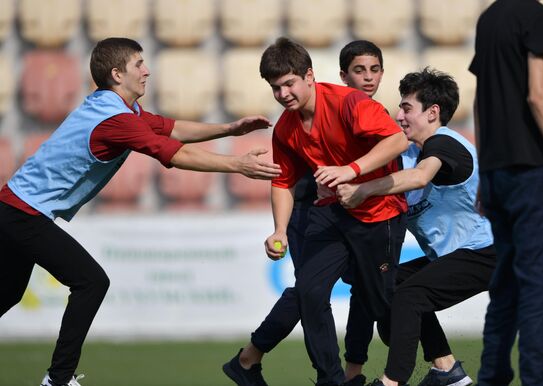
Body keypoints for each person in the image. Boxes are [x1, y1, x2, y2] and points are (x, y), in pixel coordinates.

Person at [0, 37, 281, 386]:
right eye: (138, 65)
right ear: (117, 74)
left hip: (16, 208)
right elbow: (175, 154)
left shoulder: (118, 109)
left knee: (8, 294)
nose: (147, 71)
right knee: (91, 282)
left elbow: (172, 128)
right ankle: (58, 379)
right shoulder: (117, 119)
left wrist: (229, 129)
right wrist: (237, 164)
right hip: (23, 214)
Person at [223, 40, 404, 386]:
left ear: (309, 76)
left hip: (380, 215)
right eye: (275, 87)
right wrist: (279, 230)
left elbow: (397, 141)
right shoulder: (285, 129)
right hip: (333, 215)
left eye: (289, 83)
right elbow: (282, 183)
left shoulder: (350, 103)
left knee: (384, 304)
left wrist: (351, 169)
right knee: (308, 290)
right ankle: (332, 379)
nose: (283, 93)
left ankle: (440, 364)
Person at [335, 68, 496, 386]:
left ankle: (392, 381)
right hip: (458, 255)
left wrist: (364, 189)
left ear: (433, 112)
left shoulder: (445, 145)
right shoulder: (407, 153)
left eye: (407, 107)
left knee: (410, 296)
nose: (399, 114)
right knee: (387, 287)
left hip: (490, 251)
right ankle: (447, 370)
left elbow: (421, 177)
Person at [469, 1, 543, 385]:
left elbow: (479, 102)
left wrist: (485, 170)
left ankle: (492, 375)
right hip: (528, 170)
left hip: (496, 171)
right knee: (533, 284)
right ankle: (537, 378)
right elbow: (537, 94)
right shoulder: (540, 16)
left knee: (504, 285)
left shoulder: (488, 19)